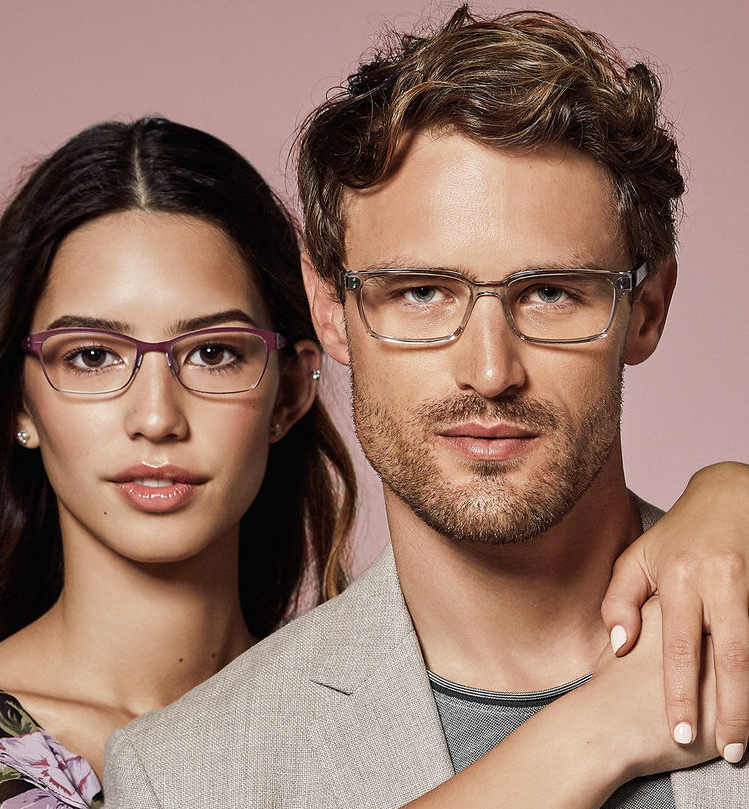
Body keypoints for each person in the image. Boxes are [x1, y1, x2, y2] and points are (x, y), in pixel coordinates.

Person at [103, 8, 749, 809]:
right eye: (420, 292)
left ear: (647, 308)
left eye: (550, 292)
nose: (488, 370)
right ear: (329, 310)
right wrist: (599, 727)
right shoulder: (187, 776)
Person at [0, 116, 356, 807]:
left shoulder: (374, 727)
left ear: (287, 392)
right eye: (93, 355)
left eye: (214, 352)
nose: (157, 418)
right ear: (19, 401)